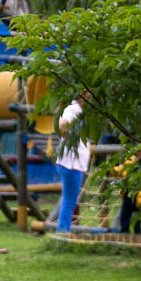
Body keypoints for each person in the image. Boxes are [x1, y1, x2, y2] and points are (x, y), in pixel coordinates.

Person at [54, 94, 92, 233]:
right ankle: (63, 231)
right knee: (69, 201)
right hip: (71, 164)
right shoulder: (73, 110)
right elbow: (62, 127)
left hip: (74, 164)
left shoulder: (81, 111)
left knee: (69, 200)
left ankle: (64, 230)